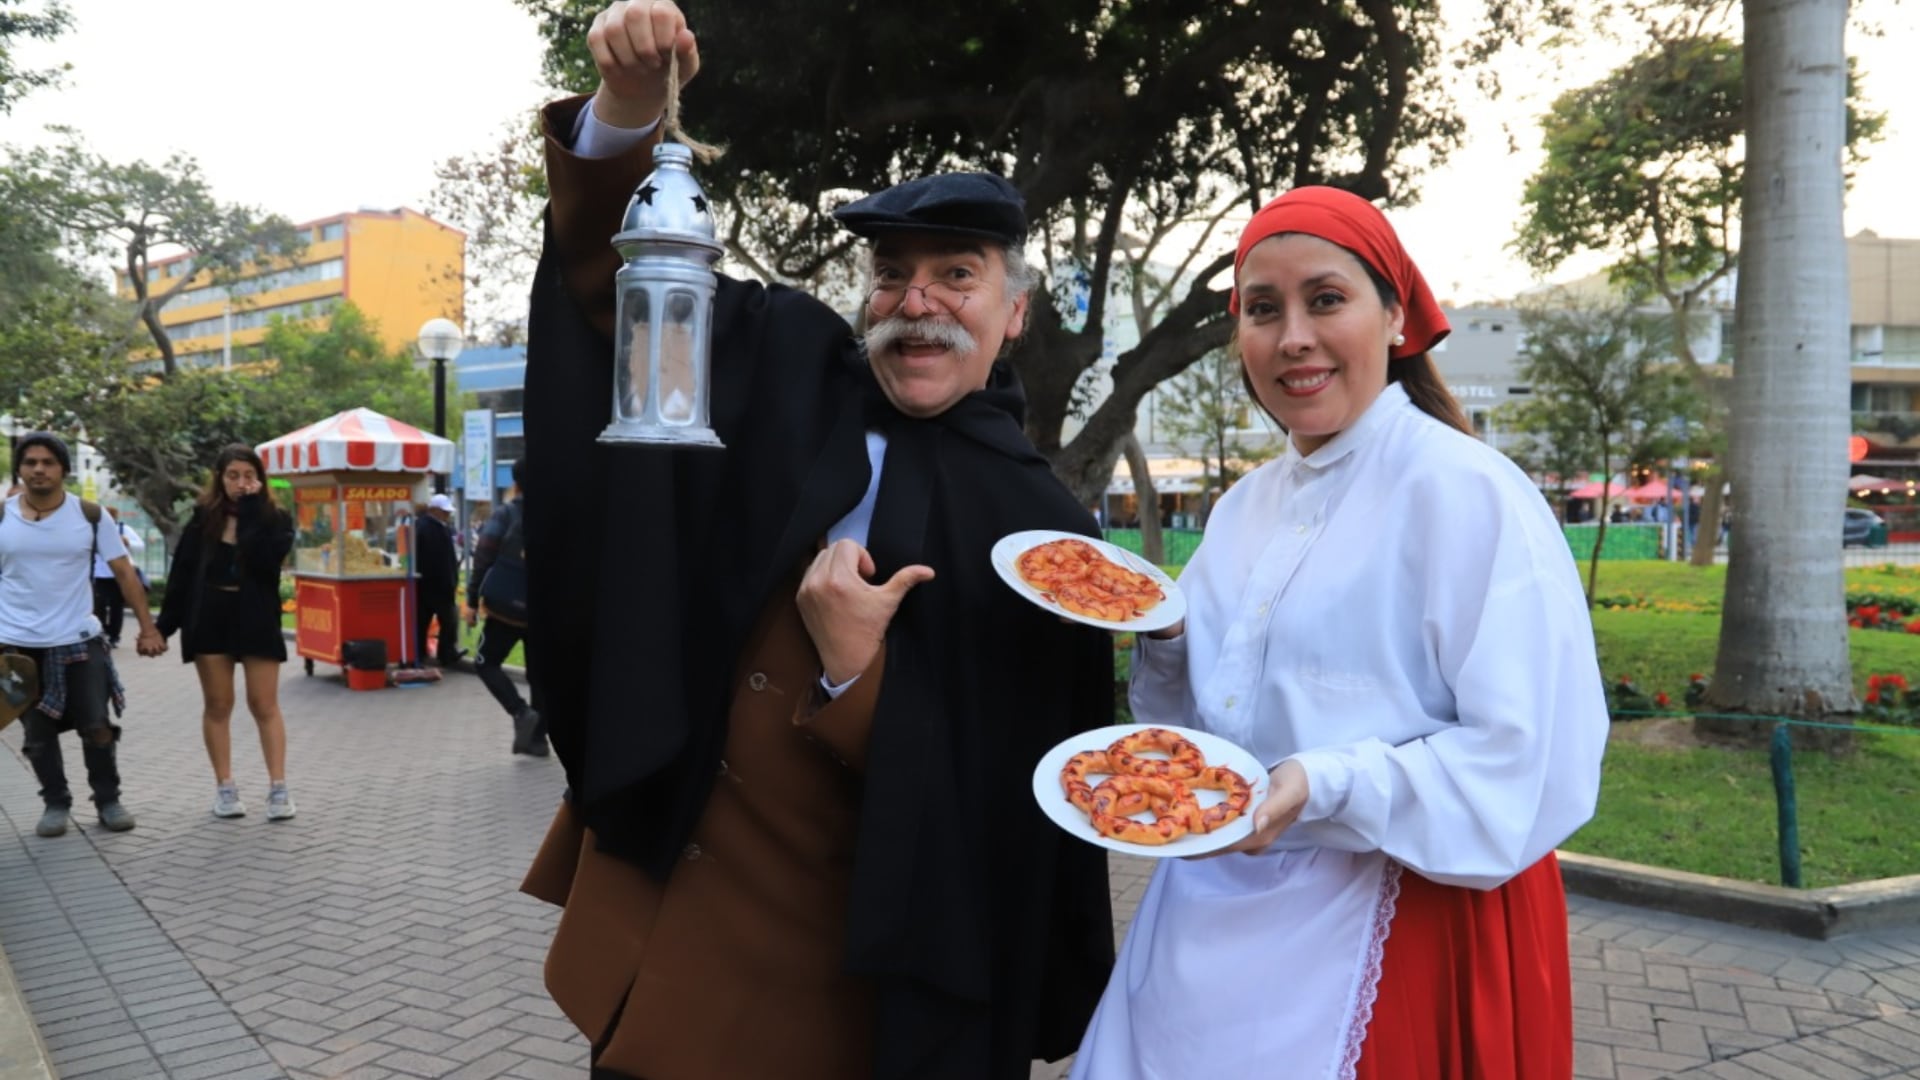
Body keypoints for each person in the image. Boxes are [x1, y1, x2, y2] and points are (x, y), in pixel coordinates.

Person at [516, 5, 1116, 1077]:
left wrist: (853, 677)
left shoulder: (1049, 539)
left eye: (957, 276)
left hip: (828, 994)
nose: (916, 303)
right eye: (892, 273)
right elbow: (624, 287)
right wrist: (627, 109)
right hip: (662, 915)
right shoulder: (785, 367)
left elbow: (1009, 799)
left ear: (1013, 313)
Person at [1068, 188, 1609, 1079]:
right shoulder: (1245, 506)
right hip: (1210, 916)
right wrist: (1161, 638)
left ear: (1395, 314)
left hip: (1401, 919)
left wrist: (1325, 782)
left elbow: (1534, 761)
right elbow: (1200, 731)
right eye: (1261, 309)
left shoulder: (1467, 493)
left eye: (1326, 299)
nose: (1292, 340)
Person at [1, 432, 165, 838]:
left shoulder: (90, 515)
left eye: (48, 462)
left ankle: (108, 800)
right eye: (31, 462)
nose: (39, 469)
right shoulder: (2, 516)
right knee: (37, 735)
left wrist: (147, 628)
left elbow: (124, 572)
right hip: (17, 645)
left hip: (78, 639)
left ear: (63, 470)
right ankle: (55, 804)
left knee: (96, 725)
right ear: (19, 469)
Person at [156, 444, 298, 822]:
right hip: (210, 616)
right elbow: (182, 575)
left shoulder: (275, 518)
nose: (241, 483)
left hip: (255, 617)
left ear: (260, 478)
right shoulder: (204, 519)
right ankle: (225, 787)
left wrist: (250, 514)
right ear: (220, 479)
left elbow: (267, 564)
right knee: (219, 705)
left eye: (248, 476)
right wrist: (162, 629)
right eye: (232, 475)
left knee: (263, 704)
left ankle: (279, 788)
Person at [467, 459, 543, 756]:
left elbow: (484, 555)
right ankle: (538, 740)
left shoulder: (507, 513)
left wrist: (472, 599)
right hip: (542, 612)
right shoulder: (557, 515)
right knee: (540, 675)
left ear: (516, 483)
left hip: (505, 610)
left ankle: (521, 712)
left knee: (486, 662)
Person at [412, 493, 463, 668]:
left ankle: (419, 653)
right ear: (434, 510)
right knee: (448, 621)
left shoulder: (426, 526)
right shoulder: (431, 529)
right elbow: (441, 561)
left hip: (426, 584)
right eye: (444, 512)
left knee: (422, 622)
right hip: (438, 585)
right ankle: (447, 654)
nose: (447, 515)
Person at [91, 508, 146, 647]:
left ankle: (114, 636)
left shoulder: (123, 529)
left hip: (118, 575)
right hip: (99, 574)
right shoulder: (93, 529)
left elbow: (140, 546)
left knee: (117, 607)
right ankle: (102, 633)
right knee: (99, 606)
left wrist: (127, 542)